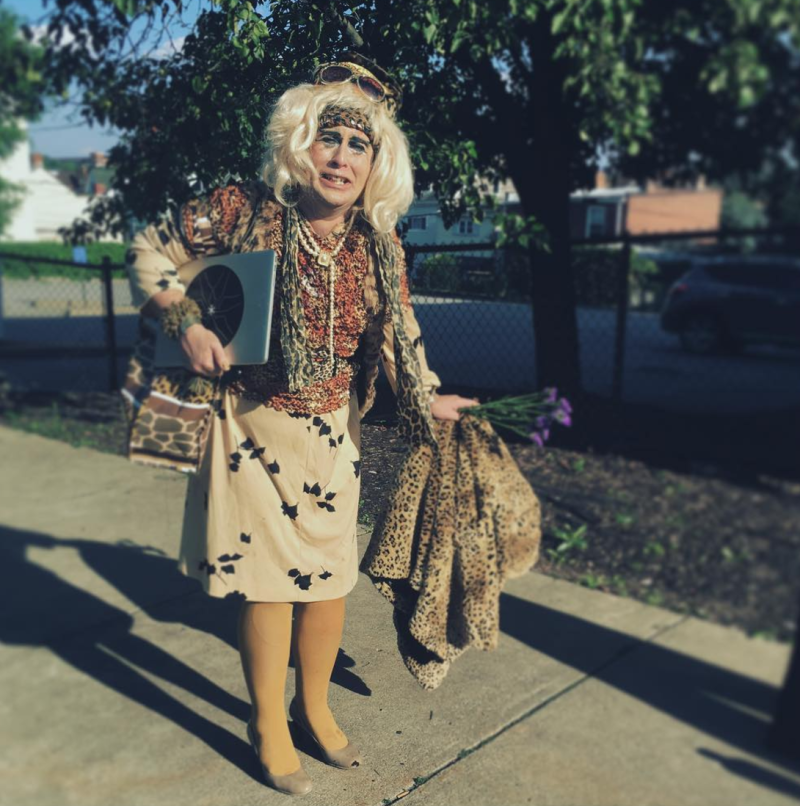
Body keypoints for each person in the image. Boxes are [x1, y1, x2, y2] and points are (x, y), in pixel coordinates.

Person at [124, 54, 480, 796]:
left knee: (328, 583)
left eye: (359, 145)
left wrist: (429, 396)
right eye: (329, 138)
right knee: (270, 587)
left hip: (332, 436)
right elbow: (149, 250)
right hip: (251, 428)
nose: (341, 158)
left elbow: (398, 336)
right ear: (300, 142)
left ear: (377, 163)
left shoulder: (378, 248)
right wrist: (186, 322)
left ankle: (313, 709)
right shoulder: (242, 210)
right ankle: (268, 724)